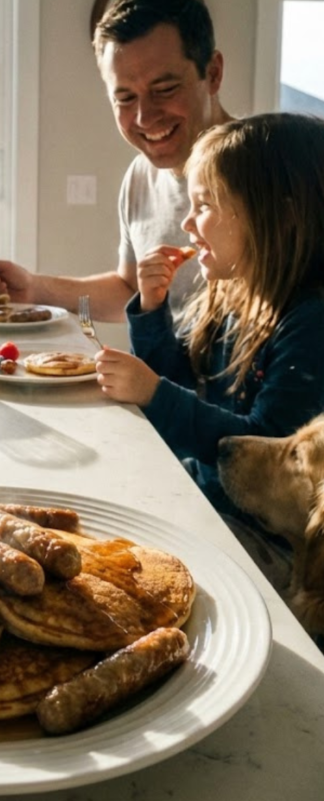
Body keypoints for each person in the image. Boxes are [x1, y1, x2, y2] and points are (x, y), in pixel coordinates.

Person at [95, 112, 324, 590]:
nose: (186, 223)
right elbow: (185, 383)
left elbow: (262, 450)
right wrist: (152, 312)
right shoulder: (233, 295)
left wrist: (154, 394)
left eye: (203, 205)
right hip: (204, 497)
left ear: (278, 216)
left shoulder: (310, 323)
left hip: (264, 540)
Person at [0, 0, 232, 324]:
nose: (144, 117)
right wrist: (35, 289)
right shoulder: (140, 176)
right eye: (125, 98)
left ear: (212, 74)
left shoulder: (267, 168)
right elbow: (129, 290)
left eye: (165, 89)